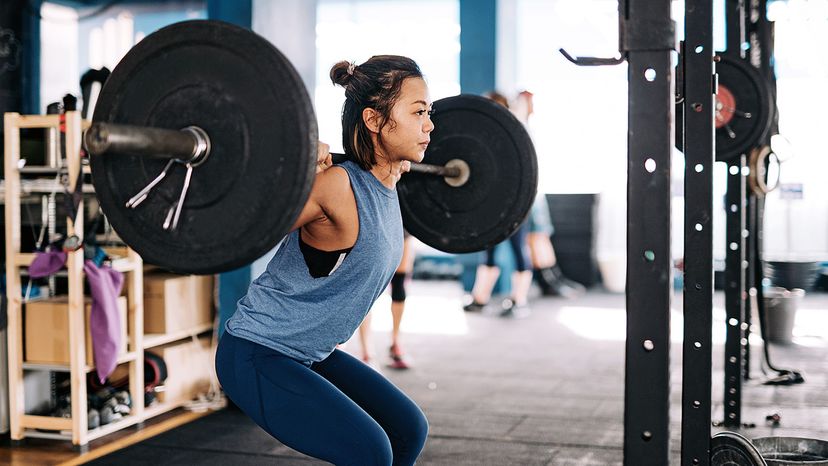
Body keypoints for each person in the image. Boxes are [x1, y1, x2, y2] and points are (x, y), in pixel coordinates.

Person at [215, 55, 431, 465]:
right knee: (369, 451)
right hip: (258, 352)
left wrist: (389, 168)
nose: (429, 124)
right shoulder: (334, 187)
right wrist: (292, 170)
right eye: (418, 112)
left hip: (310, 352)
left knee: (407, 430)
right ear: (373, 120)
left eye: (429, 112)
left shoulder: (387, 181)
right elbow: (242, 228)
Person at [462, 91, 534, 318]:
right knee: (490, 251)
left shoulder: (516, 132)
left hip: (516, 203)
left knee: (518, 250)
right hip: (492, 204)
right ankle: (480, 298)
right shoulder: (485, 134)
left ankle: (519, 300)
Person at [358, 232, 416, 369]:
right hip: (374, 226)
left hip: (404, 225)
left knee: (399, 282)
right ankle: (367, 352)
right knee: (368, 285)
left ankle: (395, 343)